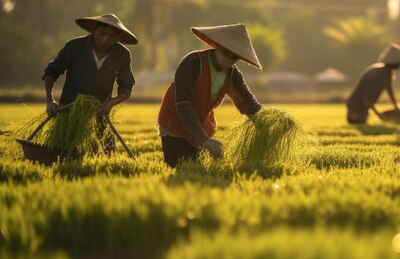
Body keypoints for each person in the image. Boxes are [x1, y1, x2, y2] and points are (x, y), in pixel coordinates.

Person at [157, 23, 263, 167]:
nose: (231, 56)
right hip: (175, 126)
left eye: (236, 54)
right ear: (219, 45)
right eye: (228, 50)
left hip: (201, 125)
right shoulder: (192, 63)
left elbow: (248, 104)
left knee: (199, 171)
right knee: (183, 169)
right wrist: (204, 140)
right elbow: (183, 104)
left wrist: (267, 120)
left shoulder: (233, 74)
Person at [43, 13, 139, 152]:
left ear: (117, 38)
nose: (105, 39)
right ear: (94, 29)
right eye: (102, 33)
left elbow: (126, 87)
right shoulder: (75, 47)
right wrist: (49, 100)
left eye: (111, 36)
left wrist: (111, 103)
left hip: (100, 111)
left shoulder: (122, 55)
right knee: (62, 151)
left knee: (109, 153)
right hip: (70, 110)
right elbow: (51, 72)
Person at [346, 43, 400, 124]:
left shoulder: (387, 73)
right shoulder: (376, 74)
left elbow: (390, 90)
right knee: (360, 122)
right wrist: (380, 116)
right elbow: (367, 100)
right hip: (356, 109)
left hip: (363, 108)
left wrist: (396, 106)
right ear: (393, 62)